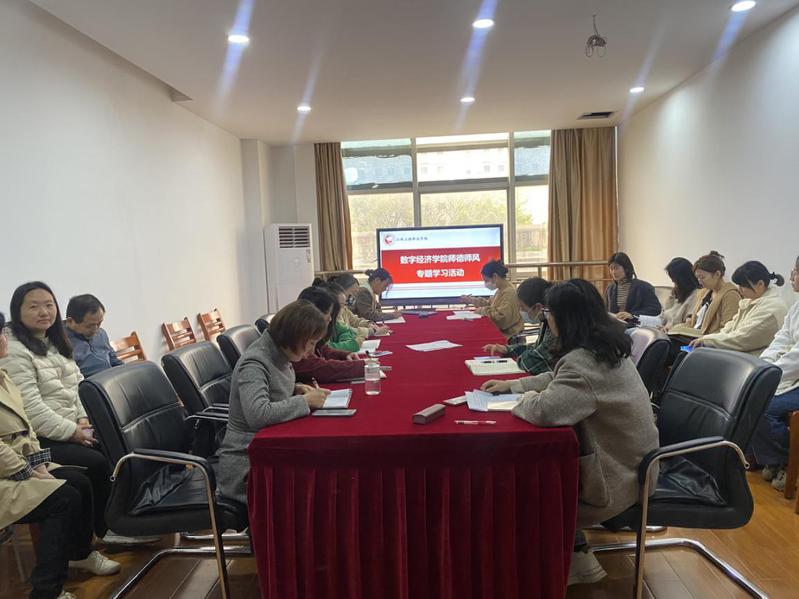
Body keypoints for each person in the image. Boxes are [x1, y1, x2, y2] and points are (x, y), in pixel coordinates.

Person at [480, 280, 658, 586]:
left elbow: (545, 410)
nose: (546, 318)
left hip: (617, 481)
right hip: (636, 465)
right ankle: (576, 556)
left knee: (521, 497)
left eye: (549, 313)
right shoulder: (604, 348)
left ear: (564, 318)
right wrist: (514, 384)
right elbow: (557, 378)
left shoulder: (583, 363)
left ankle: (551, 571)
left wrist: (523, 397)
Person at [0, 282, 155, 546]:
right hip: (41, 437)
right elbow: (31, 410)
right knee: (98, 461)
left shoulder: (55, 340)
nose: (43, 312)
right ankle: (108, 529)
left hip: (72, 425)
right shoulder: (14, 350)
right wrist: (73, 431)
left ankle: (135, 512)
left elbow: (78, 384)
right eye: (34, 306)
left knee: (122, 442)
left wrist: (83, 418)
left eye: (49, 305)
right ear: (18, 310)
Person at [1, 311, 121, 599]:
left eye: (1, 333)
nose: (2, 340)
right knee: (63, 498)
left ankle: (80, 554)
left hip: (18, 465)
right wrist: (26, 471)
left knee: (78, 481)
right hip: (6, 475)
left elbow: (26, 428)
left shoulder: (4, 377)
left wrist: (38, 464)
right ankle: (46, 590)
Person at [216, 300, 331, 504]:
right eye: (311, 343)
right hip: (247, 465)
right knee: (317, 487)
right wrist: (304, 401)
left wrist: (295, 389)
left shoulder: (281, 354)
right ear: (296, 336)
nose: (312, 351)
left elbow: (271, 390)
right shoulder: (255, 362)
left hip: (269, 452)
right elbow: (258, 414)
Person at [748, 257, 799, 491]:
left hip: (794, 375)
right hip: (790, 374)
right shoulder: (796, 307)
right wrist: (765, 366)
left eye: (795, 272)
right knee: (751, 396)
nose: (791, 277)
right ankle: (772, 458)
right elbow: (781, 340)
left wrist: (772, 374)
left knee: (765, 406)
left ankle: (787, 460)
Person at [690, 261, 787, 355]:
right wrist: (707, 339)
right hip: (738, 354)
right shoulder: (749, 302)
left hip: (753, 359)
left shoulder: (772, 308)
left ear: (760, 284)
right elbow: (729, 328)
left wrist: (708, 341)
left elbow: (743, 338)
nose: (740, 290)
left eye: (743, 286)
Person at [481, 277, 556, 374]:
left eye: (523, 308)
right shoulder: (545, 319)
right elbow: (536, 347)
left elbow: (534, 361)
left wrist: (519, 359)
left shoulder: (555, 324)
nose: (521, 311)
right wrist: (508, 349)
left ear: (538, 307)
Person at [293, 286, 366, 384]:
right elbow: (316, 368)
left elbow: (322, 348)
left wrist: (344, 355)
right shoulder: (297, 336)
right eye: (329, 313)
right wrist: (362, 366)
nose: (330, 319)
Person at [668, 251, 742, 342]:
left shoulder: (731, 295)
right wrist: (673, 328)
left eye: (702, 277)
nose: (699, 281)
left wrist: (704, 338)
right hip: (695, 336)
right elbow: (694, 323)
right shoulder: (704, 292)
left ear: (717, 274)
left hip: (710, 340)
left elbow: (727, 329)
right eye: (697, 278)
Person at [461, 260, 524, 340]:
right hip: (503, 334)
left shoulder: (509, 293)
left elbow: (502, 319)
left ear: (494, 276)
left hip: (509, 338)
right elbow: (490, 304)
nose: (485, 284)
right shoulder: (501, 290)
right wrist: (472, 300)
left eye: (486, 280)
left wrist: (481, 310)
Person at [64, 294, 123, 378]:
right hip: (88, 383)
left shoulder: (101, 333)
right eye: (89, 326)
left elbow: (114, 361)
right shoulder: (61, 343)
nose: (95, 330)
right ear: (70, 321)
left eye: (99, 323)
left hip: (111, 379)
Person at [604, 252, 662, 322]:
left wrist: (632, 315)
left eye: (616, 268)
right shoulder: (610, 289)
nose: (613, 272)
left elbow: (655, 309)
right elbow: (605, 310)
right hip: (615, 324)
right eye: (611, 269)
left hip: (634, 324)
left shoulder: (643, 287)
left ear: (626, 268)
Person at [311, 279, 363, 352]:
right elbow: (324, 349)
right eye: (339, 306)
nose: (341, 309)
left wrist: (344, 341)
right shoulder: (316, 326)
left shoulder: (334, 321)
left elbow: (346, 331)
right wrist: (347, 345)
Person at [660, 257, 701, 331]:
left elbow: (688, 322)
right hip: (663, 327)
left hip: (675, 332)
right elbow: (664, 313)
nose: (672, 281)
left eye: (674, 279)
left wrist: (669, 327)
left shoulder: (696, 294)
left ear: (683, 278)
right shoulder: (677, 291)